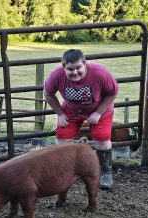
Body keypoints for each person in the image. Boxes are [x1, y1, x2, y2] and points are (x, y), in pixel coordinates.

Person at [43, 49, 118, 190]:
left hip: (100, 109)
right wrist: (60, 114)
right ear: (63, 67)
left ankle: (106, 172)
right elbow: (48, 94)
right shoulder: (56, 76)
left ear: (85, 64)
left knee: (102, 140)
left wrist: (98, 112)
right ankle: (64, 172)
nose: (75, 72)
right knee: (62, 139)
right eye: (70, 69)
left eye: (78, 68)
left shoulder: (100, 73)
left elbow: (112, 93)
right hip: (71, 110)